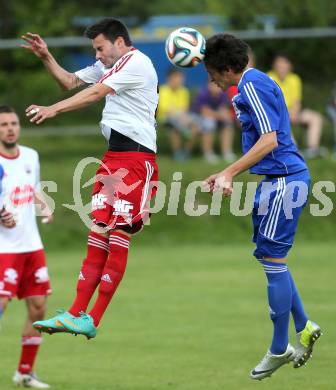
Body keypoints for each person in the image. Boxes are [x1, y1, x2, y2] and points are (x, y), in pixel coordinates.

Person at [21, 18, 159, 339]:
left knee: (118, 235)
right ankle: (74, 313)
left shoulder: (137, 63)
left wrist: (53, 110)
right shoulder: (110, 65)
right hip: (113, 159)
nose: (97, 55)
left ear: (119, 42)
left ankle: (93, 318)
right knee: (98, 230)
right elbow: (70, 82)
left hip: (137, 160)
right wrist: (46, 57)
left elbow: (96, 93)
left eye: (99, 48)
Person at [202, 34, 321, 380]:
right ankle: (304, 325)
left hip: (285, 180)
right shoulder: (251, 83)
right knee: (269, 256)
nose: (211, 79)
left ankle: (279, 347)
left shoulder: (251, 84)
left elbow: (270, 140)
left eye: (212, 72)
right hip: (276, 180)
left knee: (273, 260)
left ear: (227, 68)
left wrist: (228, 171)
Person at [0, 105, 53, 388]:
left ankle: (24, 372)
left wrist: (45, 208)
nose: (10, 128)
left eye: (13, 123)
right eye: (4, 124)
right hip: (2, 249)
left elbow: (33, 190)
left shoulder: (31, 156)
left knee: (38, 307)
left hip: (31, 245)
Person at [268, 54, 325, 159]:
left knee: (316, 118)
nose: (282, 67)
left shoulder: (295, 79)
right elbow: (269, 102)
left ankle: (312, 149)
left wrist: (294, 112)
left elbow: (297, 100)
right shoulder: (268, 77)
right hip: (277, 114)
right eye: (279, 64)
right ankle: (294, 150)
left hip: (293, 112)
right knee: (283, 122)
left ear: (289, 66)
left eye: (284, 64)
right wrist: (286, 113)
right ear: (274, 66)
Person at [158, 68, 198, 160]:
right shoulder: (162, 90)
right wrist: (178, 114)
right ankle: (177, 154)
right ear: (170, 78)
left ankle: (186, 152)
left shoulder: (184, 91)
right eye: (178, 77)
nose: (180, 80)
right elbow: (165, 110)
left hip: (181, 118)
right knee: (174, 129)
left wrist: (181, 115)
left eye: (181, 77)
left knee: (195, 127)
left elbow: (185, 109)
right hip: (165, 119)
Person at [192, 80, 235, 163]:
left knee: (227, 123)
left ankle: (226, 152)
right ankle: (208, 153)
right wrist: (220, 116)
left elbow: (223, 109)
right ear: (208, 85)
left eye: (217, 84)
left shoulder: (223, 93)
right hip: (197, 117)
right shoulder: (203, 93)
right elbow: (205, 112)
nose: (216, 86)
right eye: (213, 84)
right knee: (209, 124)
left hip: (214, 117)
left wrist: (225, 116)